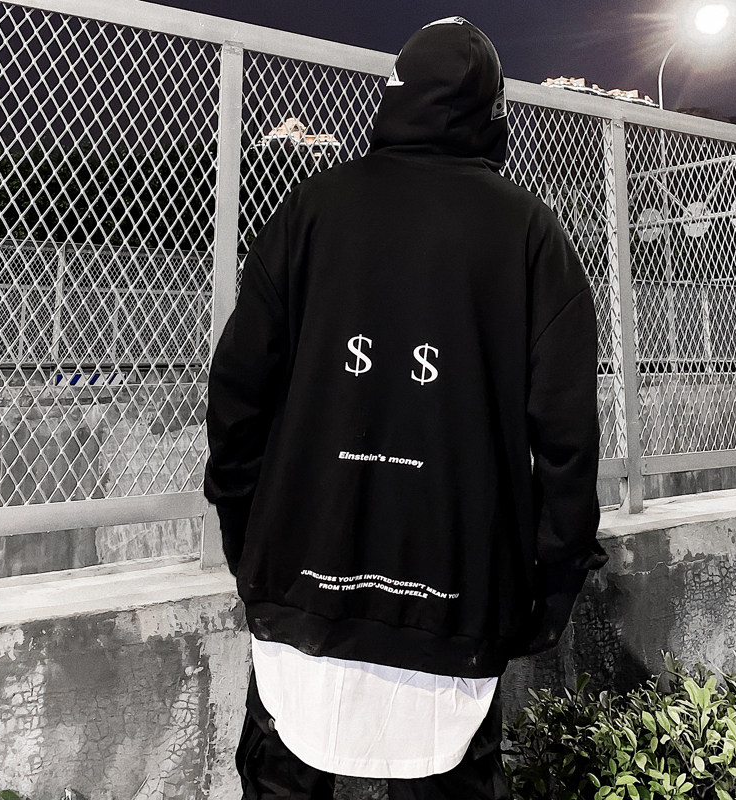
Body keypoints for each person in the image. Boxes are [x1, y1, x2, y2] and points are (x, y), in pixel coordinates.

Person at [203, 16, 609, 800]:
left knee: (283, 772)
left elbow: (239, 392)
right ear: (493, 112)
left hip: (301, 580)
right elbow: (565, 433)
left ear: (394, 97)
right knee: (451, 777)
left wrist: (246, 534)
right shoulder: (529, 231)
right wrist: (553, 581)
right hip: (457, 594)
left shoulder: (311, 209)